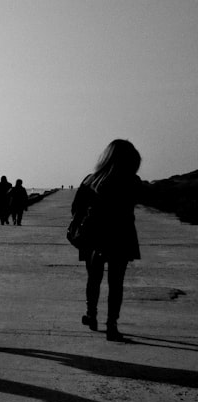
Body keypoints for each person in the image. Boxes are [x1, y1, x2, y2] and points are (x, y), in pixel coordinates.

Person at [72, 139, 144, 342]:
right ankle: (112, 324)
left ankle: (91, 314)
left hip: (93, 235)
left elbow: (76, 209)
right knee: (116, 282)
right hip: (121, 236)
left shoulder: (90, 180)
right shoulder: (133, 181)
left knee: (93, 278)